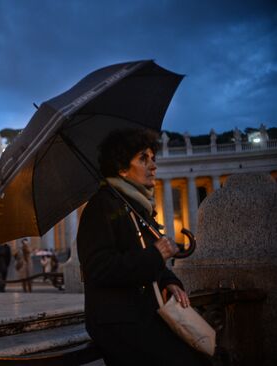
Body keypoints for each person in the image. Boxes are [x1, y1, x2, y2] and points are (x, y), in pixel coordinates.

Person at [77, 128, 210, 366]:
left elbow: (150, 259)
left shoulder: (135, 205)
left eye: (153, 158)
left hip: (142, 313)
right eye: (143, 159)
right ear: (121, 168)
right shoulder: (101, 207)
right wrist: (155, 255)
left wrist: (170, 280)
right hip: (116, 320)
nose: (153, 166)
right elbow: (97, 268)